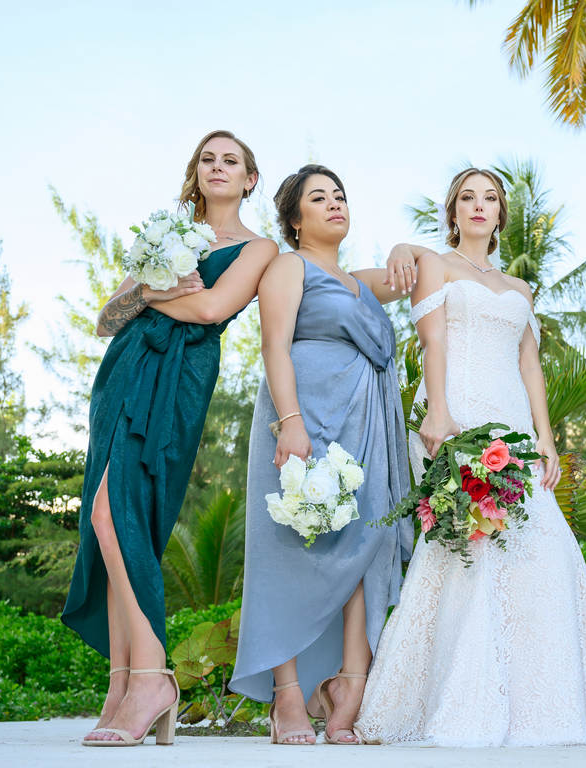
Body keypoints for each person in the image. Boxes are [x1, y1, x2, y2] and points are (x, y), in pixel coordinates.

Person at [354, 168, 586, 747]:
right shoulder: (435, 265)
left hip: (516, 425)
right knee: (469, 550)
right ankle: (460, 701)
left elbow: (530, 364)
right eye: (468, 198)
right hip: (460, 415)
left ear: (502, 214)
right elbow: (432, 341)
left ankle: (539, 705)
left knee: (540, 548)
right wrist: (439, 413)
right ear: (453, 212)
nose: (480, 206)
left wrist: (546, 437)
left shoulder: (521, 290)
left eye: (491, 198)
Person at [61, 129, 277, 746]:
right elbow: (108, 317)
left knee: (123, 511)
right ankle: (124, 680)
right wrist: (155, 289)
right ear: (196, 171)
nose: (217, 167)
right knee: (104, 515)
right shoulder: (164, 232)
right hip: (124, 371)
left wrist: (150, 297)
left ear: (249, 180)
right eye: (207, 159)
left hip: (181, 375)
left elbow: (212, 310)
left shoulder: (259, 249)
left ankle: (153, 678)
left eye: (230, 161)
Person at [229, 164, 428, 745]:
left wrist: (399, 245)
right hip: (307, 414)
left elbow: (417, 269)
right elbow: (274, 346)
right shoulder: (288, 266)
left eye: (340, 195)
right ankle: (286, 695)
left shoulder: (360, 280)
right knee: (292, 546)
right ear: (294, 219)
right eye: (319, 197)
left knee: (366, 540)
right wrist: (289, 424)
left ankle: (351, 683)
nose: (335, 203)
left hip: (367, 423)